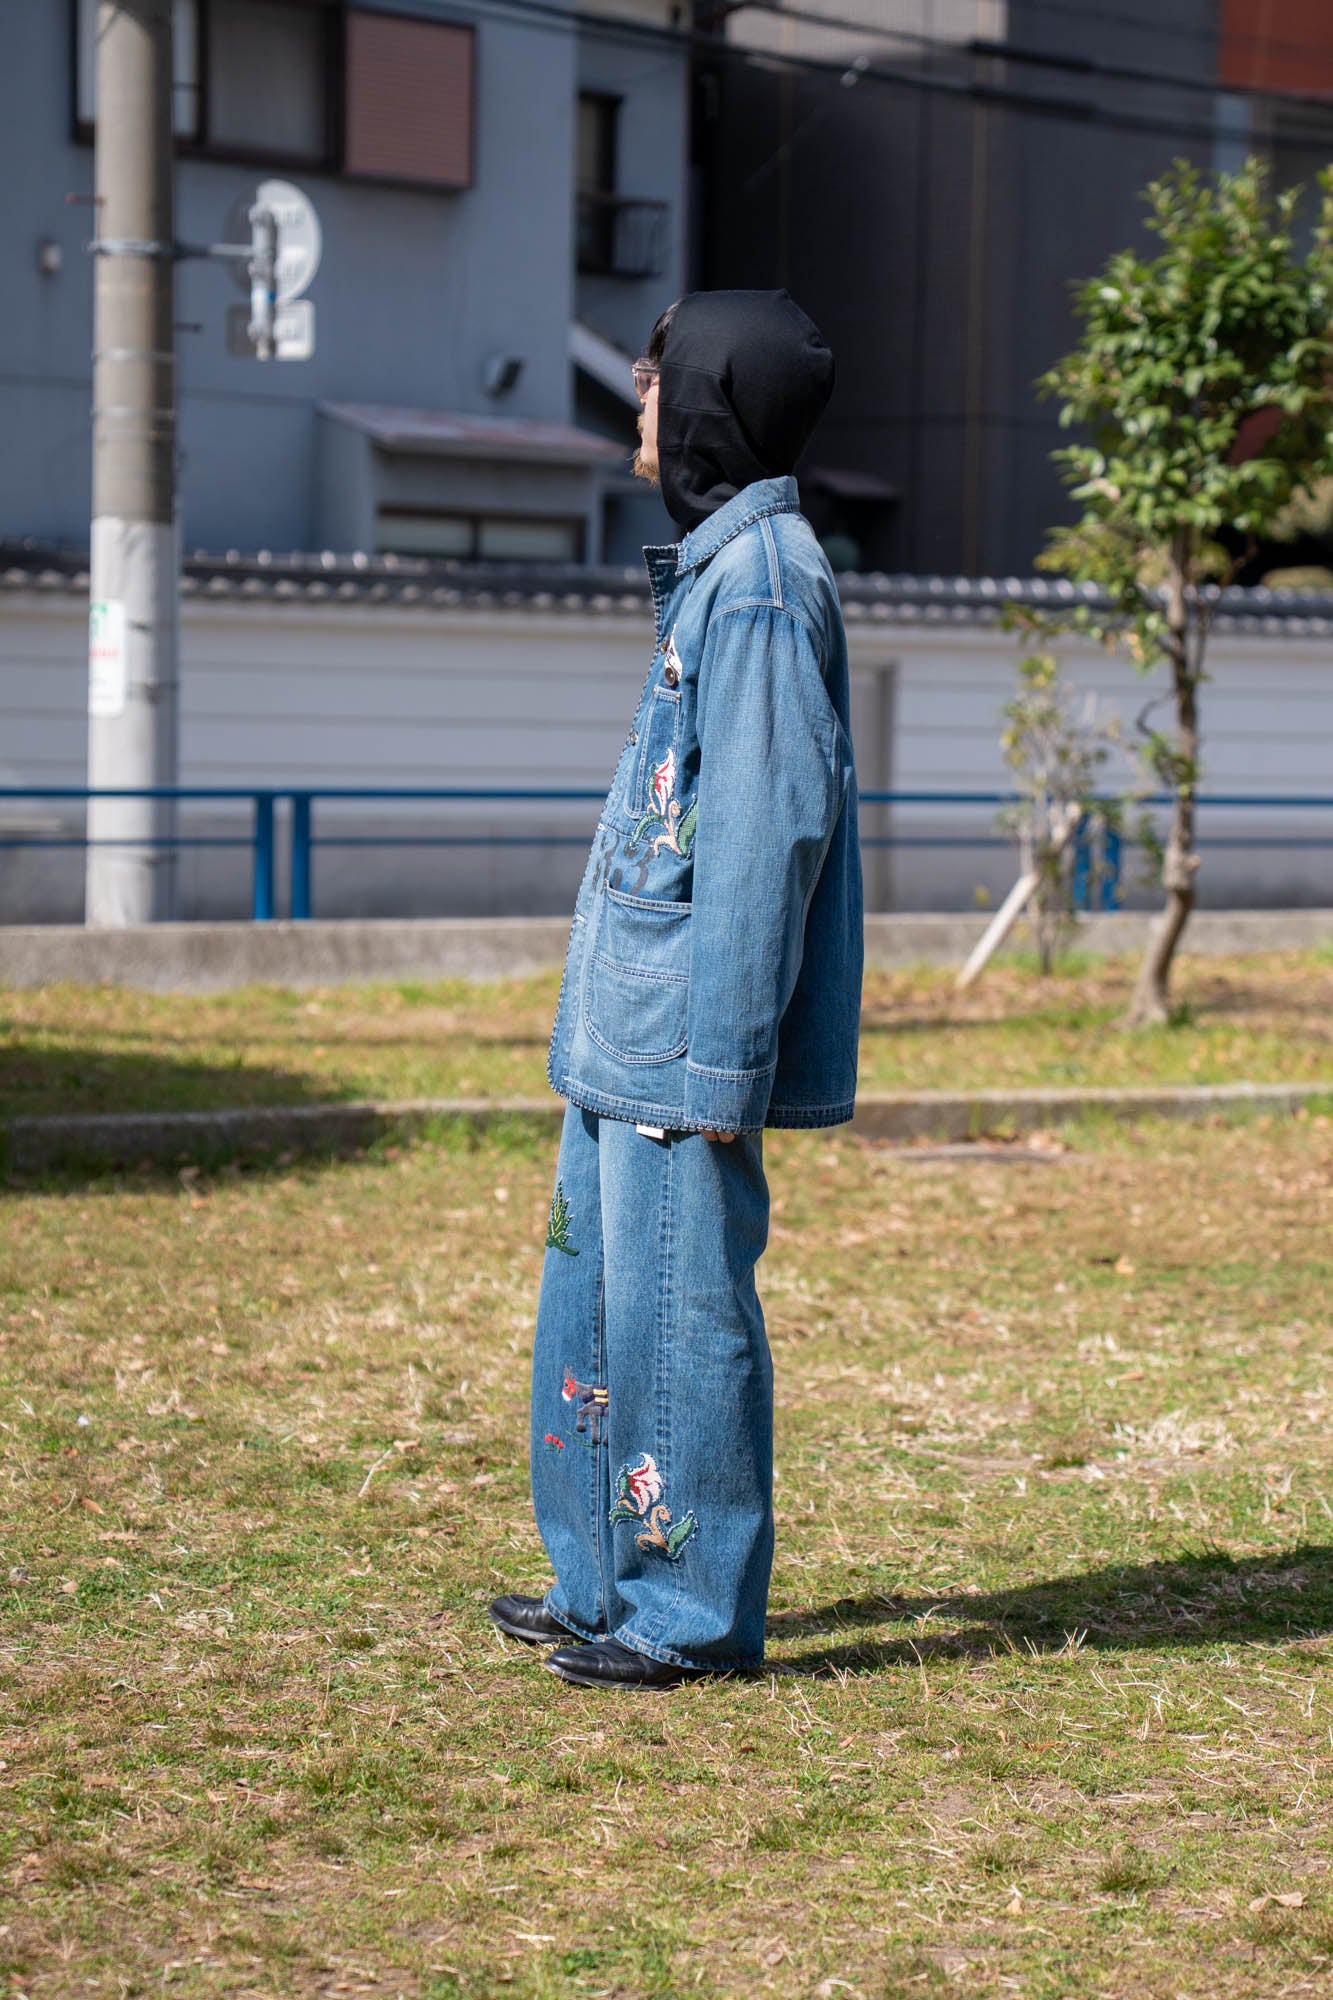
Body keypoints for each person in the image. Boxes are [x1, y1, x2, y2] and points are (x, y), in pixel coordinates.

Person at [489, 289, 863, 1688]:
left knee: (681, 1323)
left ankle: (691, 1616)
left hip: (677, 1051)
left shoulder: (763, 582)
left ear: (704, 399)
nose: (636, 399)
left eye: (654, 379)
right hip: (623, 1038)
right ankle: (597, 1587)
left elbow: (768, 835)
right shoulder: (719, 571)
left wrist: (720, 1070)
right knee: (595, 1320)